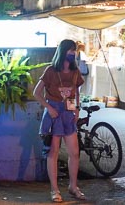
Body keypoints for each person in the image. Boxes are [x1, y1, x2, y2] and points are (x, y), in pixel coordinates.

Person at [34, 39, 85, 202]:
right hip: (54, 113)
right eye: (70, 50)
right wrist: (48, 108)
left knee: (74, 152)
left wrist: (77, 107)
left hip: (68, 113)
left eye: (74, 51)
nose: (73, 53)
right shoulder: (51, 70)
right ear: (63, 52)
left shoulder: (75, 71)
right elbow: (36, 92)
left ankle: (73, 186)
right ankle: (54, 189)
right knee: (53, 152)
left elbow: (77, 91)